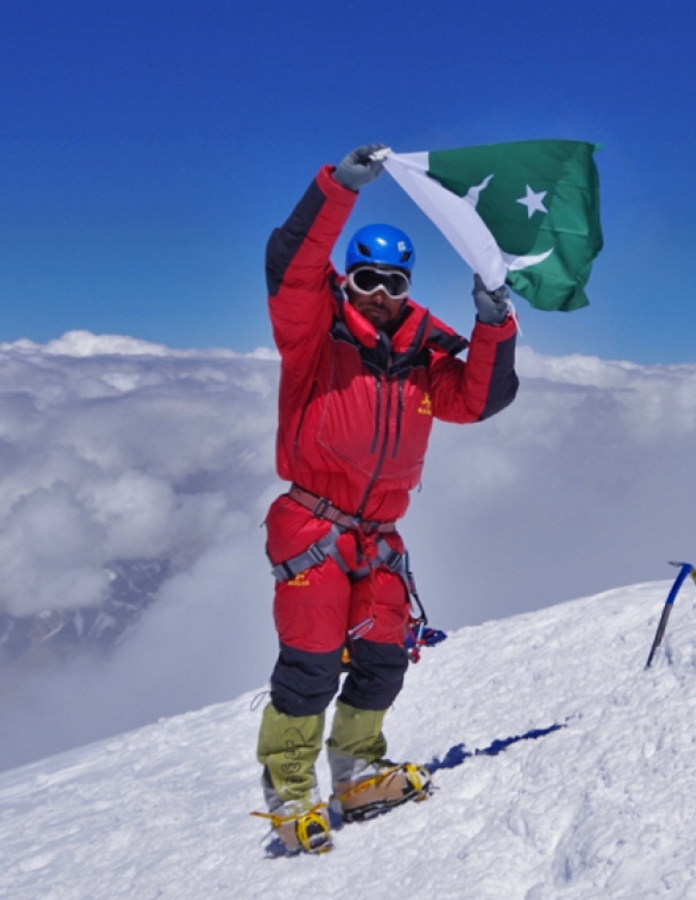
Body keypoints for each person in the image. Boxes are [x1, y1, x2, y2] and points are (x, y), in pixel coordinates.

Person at [253, 144, 519, 856]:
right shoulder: (316, 336)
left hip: (378, 535)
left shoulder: (426, 362)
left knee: (381, 658)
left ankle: (358, 769)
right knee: (309, 663)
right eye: (366, 277)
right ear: (353, 278)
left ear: (406, 286)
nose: (377, 293)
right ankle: (289, 789)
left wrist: (494, 322)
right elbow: (291, 265)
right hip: (312, 519)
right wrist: (336, 189)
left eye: (391, 282)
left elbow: (480, 399)